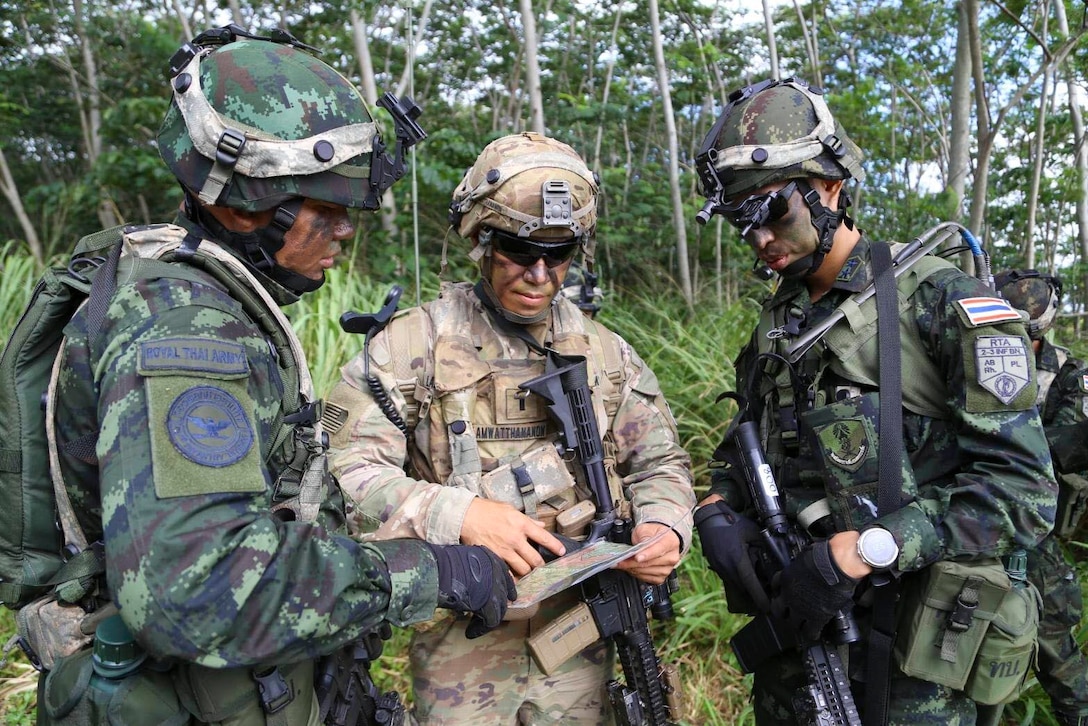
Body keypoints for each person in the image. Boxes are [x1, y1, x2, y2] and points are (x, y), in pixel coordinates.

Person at [33, 26, 515, 724]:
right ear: (241, 203)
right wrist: (427, 572)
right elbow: (196, 591)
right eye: (328, 207)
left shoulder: (205, 299)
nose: (346, 231)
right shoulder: (182, 336)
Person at [691, 77, 1056, 725]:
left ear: (829, 186)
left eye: (771, 210)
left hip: (910, 662)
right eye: (738, 219)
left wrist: (870, 547)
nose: (757, 238)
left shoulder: (940, 302)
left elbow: (1023, 492)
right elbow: (748, 438)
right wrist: (720, 507)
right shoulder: (778, 323)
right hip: (799, 641)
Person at [325, 131, 696, 725]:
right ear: (482, 241)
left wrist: (665, 525)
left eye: (561, 253)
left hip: (582, 634)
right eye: (521, 253)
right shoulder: (409, 348)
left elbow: (659, 462)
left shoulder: (605, 355)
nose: (541, 274)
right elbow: (346, 473)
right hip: (463, 642)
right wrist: (461, 516)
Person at [995, 269, 1088, 726]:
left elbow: (1067, 448)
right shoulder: (974, 359)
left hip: (1036, 524)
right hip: (979, 514)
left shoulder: (1070, 373)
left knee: (1055, 646)